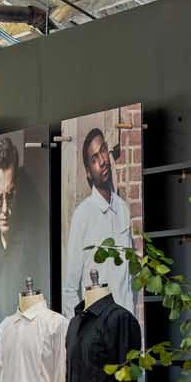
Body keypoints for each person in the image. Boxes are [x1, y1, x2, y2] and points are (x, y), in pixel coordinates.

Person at [62, 124, 136, 313]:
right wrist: (80, 333)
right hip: (97, 331)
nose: (102, 160)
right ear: (88, 171)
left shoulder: (123, 209)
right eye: (94, 159)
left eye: (103, 150)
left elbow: (129, 279)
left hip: (125, 326)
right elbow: (70, 289)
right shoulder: (82, 216)